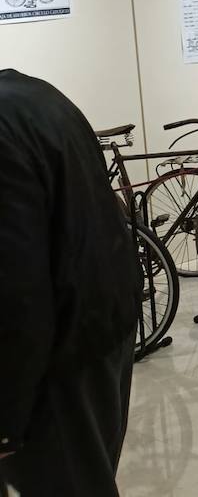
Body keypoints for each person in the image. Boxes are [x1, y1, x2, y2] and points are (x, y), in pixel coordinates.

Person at [0, 70, 139, 497]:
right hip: (103, 326)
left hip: (54, 361)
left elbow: (15, 291)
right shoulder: (37, 94)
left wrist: (6, 421)